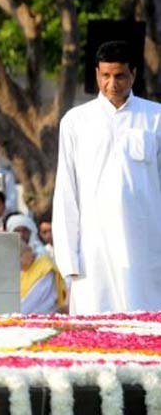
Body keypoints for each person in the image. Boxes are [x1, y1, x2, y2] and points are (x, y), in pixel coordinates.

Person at [53, 40, 161, 314]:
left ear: (133, 74)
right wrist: (69, 260)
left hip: (146, 247)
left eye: (120, 75)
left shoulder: (155, 117)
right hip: (93, 250)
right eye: (106, 76)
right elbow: (66, 191)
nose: (112, 83)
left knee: (146, 330)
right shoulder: (76, 121)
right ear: (97, 74)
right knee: (95, 335)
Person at [19, 241, 67, 315]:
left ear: (29, 250)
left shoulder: (45, 266)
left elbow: (32, 301)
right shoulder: (22, 270)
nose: (18, 261)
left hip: (46, 314)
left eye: (20, 255)